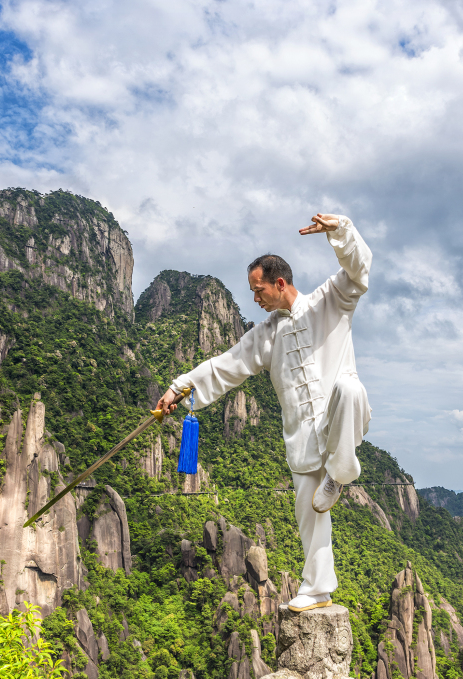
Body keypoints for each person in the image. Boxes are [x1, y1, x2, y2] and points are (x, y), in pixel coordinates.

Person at [155, 212, 373, 612]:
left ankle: (341, 472)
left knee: (349, 386)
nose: (255, 299)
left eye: (259, 291)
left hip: (341, 418)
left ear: (280, 283)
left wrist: (341, 230)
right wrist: (178, 388)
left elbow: (359, 269)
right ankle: (318, 587)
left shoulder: (330, 301)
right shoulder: (265, 336)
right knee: (309, 511)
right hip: (302, 437)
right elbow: (224, 366)